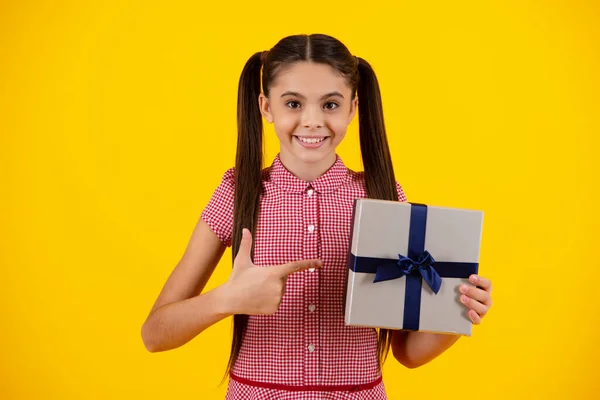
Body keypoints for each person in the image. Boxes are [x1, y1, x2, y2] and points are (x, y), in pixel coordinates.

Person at [141, 33, 493, 399]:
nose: (311, 121)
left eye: (330, 105)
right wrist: (228, 298)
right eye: (293, 103)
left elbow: (407, 352)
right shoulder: (236, 193)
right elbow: (155, 334)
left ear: (353, 108)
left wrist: (455, 316)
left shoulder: (382, 197)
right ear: (265, 107)